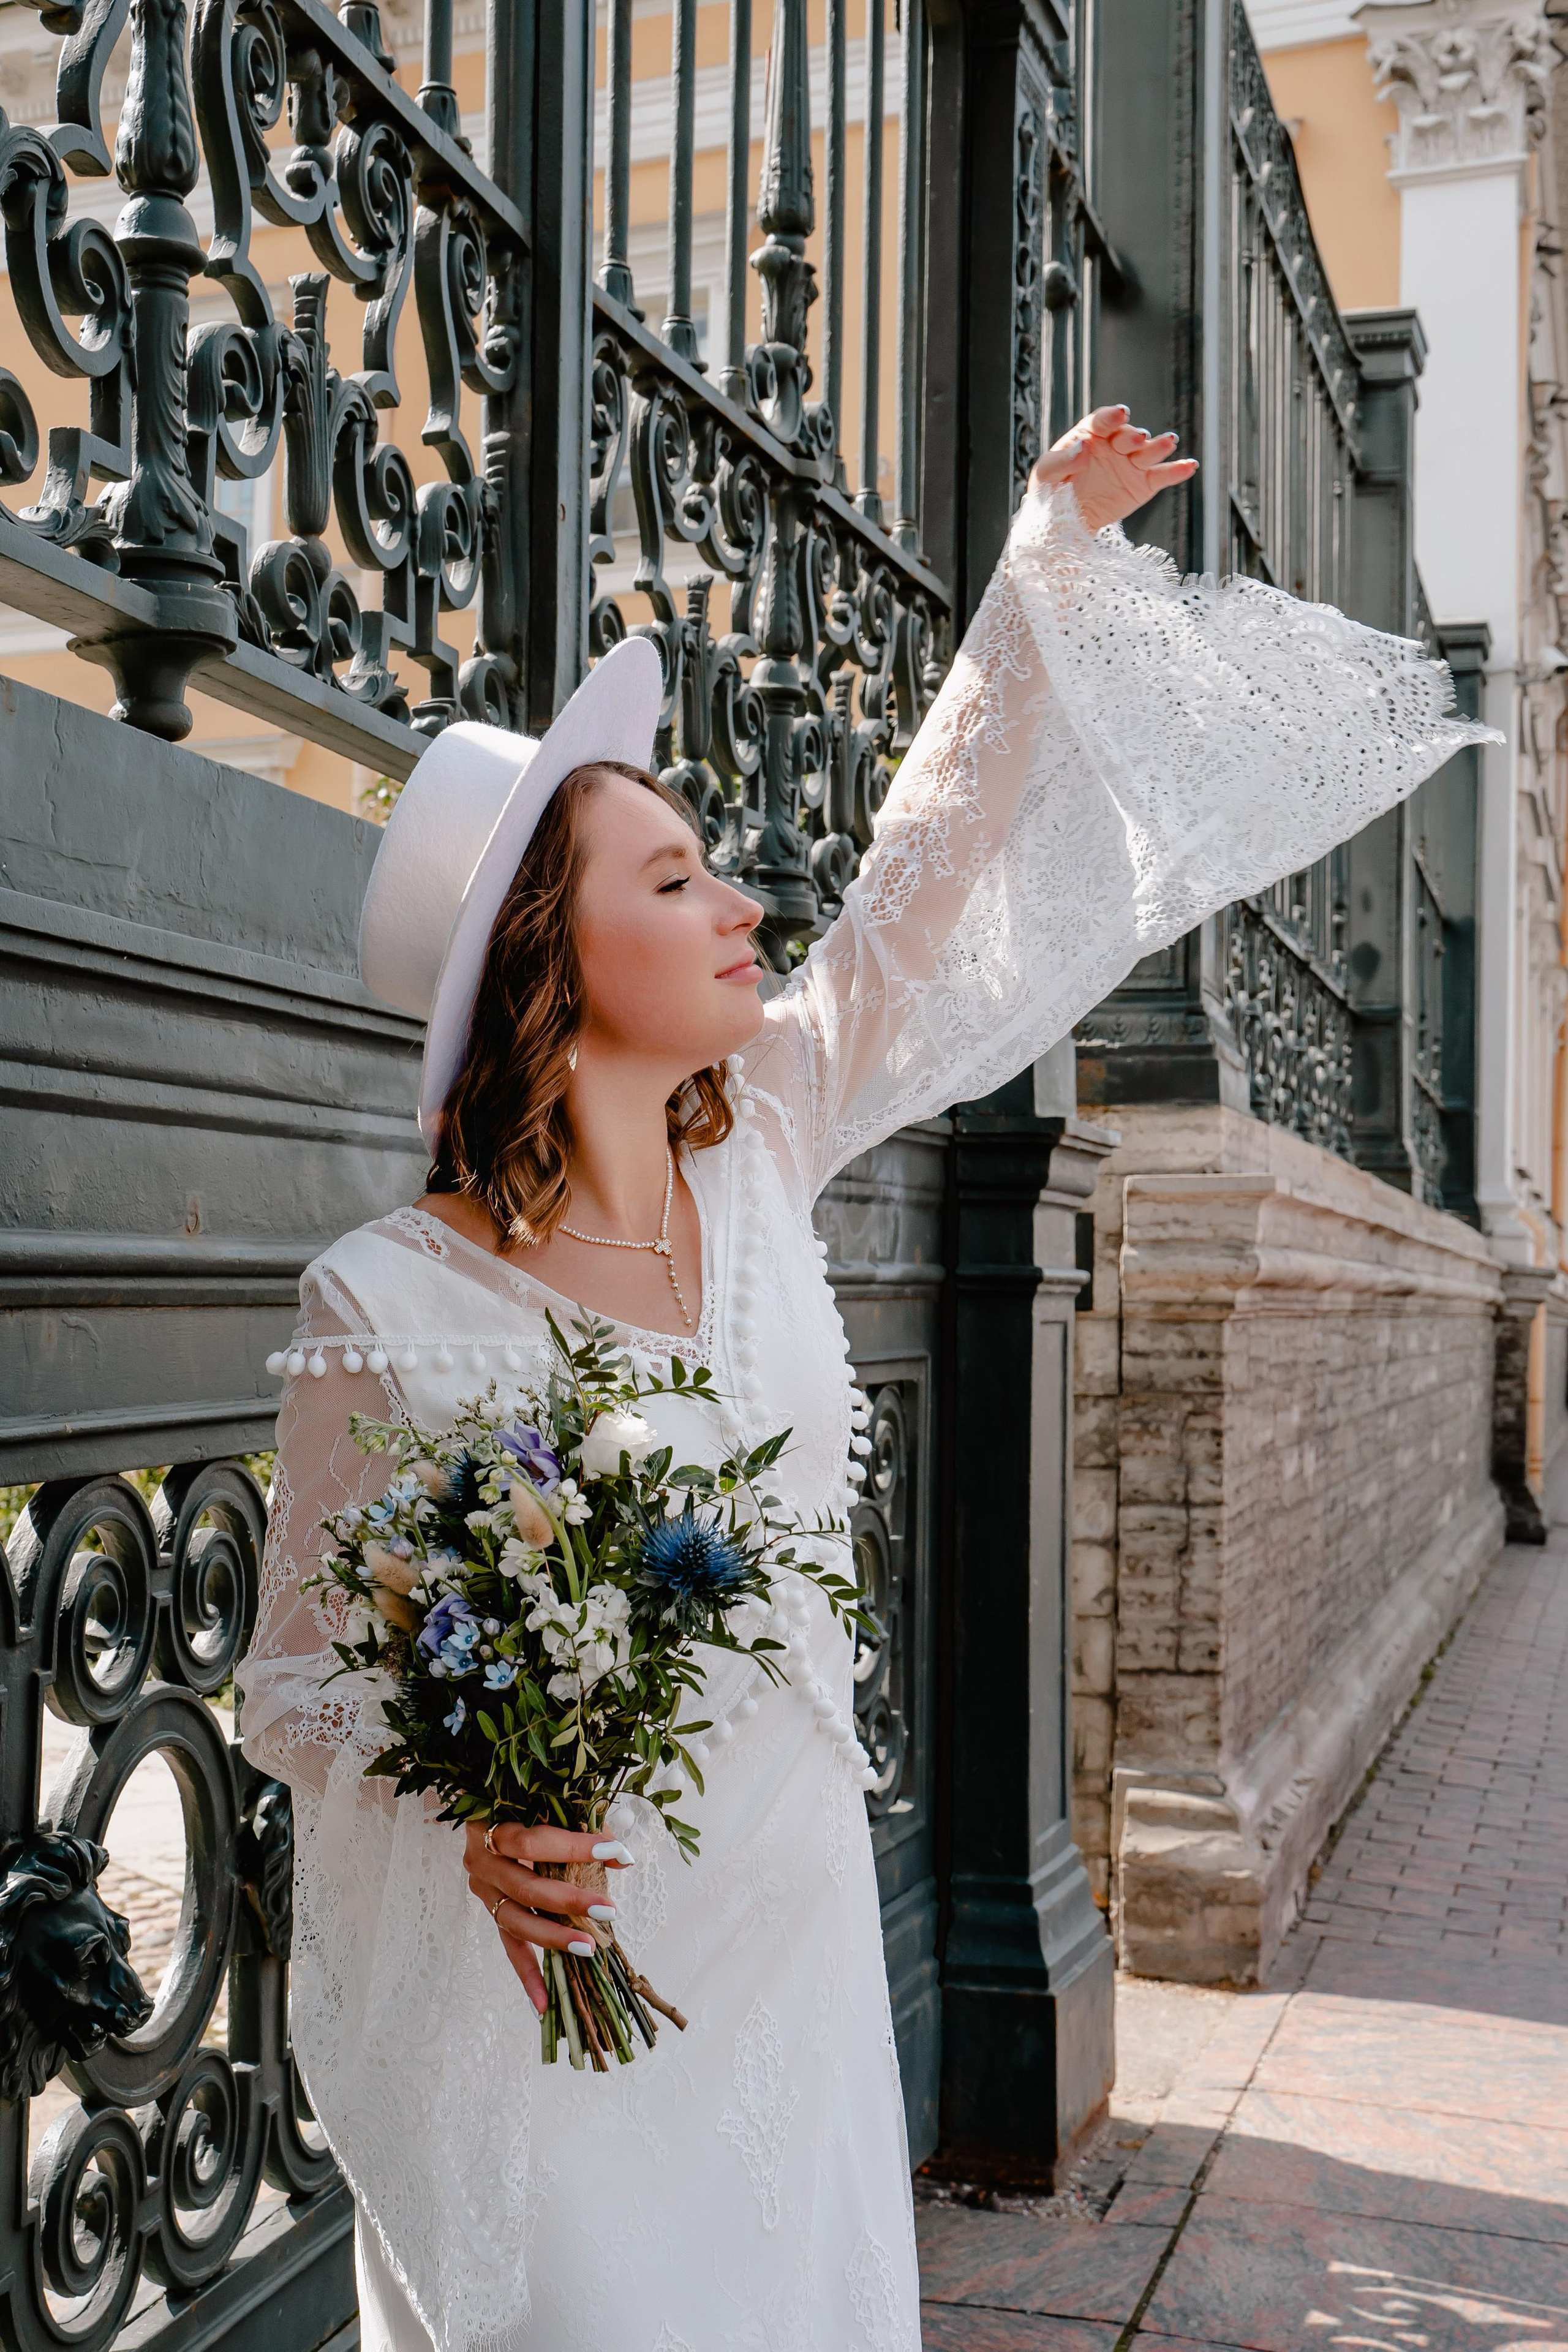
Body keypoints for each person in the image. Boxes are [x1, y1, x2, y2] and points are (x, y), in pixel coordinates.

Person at [238, 410, 1489, 2352]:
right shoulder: (386, 1303)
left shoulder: (768, 1151)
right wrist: (478, 1830)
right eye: (672, 882)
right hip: (567, 1977)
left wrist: (1036, 569)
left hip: (789, 1922)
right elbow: (302, 1690)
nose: (741, 904)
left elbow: (917, 875)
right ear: (549, 971)